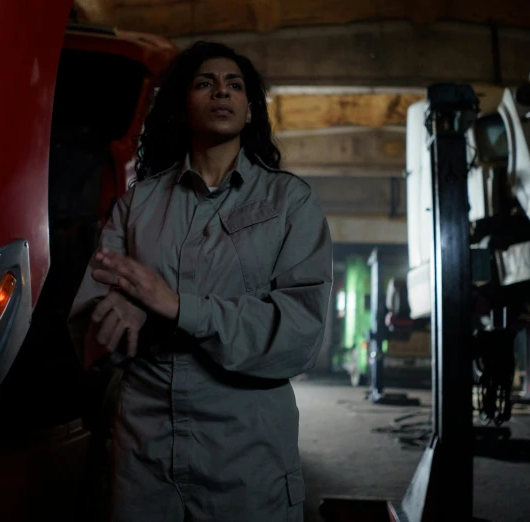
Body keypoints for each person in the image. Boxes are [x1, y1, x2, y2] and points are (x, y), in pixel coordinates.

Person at [67, 40, 333, 522]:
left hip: (245, 449)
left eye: (235, 85)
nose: (221, 92)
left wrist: (174, 305)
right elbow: (89, 318)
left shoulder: (289, 202)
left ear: (250, 110)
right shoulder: (137, 206)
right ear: (182, 105)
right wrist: (119, 311)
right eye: (205, 83)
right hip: (144, 447)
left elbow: (299, 332)